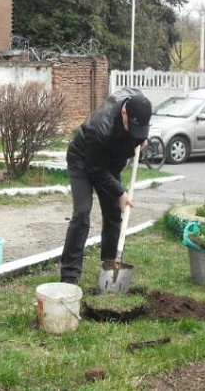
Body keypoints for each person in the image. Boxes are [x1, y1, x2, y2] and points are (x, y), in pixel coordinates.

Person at [59, 93, 152, 284]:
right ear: (124, 113)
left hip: (109, 164)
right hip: (83, 163)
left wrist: (141, 139)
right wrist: (120, 192)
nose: (135, 132)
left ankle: (109, 266)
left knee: (113, 214)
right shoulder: (100, 127)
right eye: (133, 127)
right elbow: (96, 170)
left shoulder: (138, 107)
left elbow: (138, 132)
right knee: (82, 213)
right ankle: (69, 275)